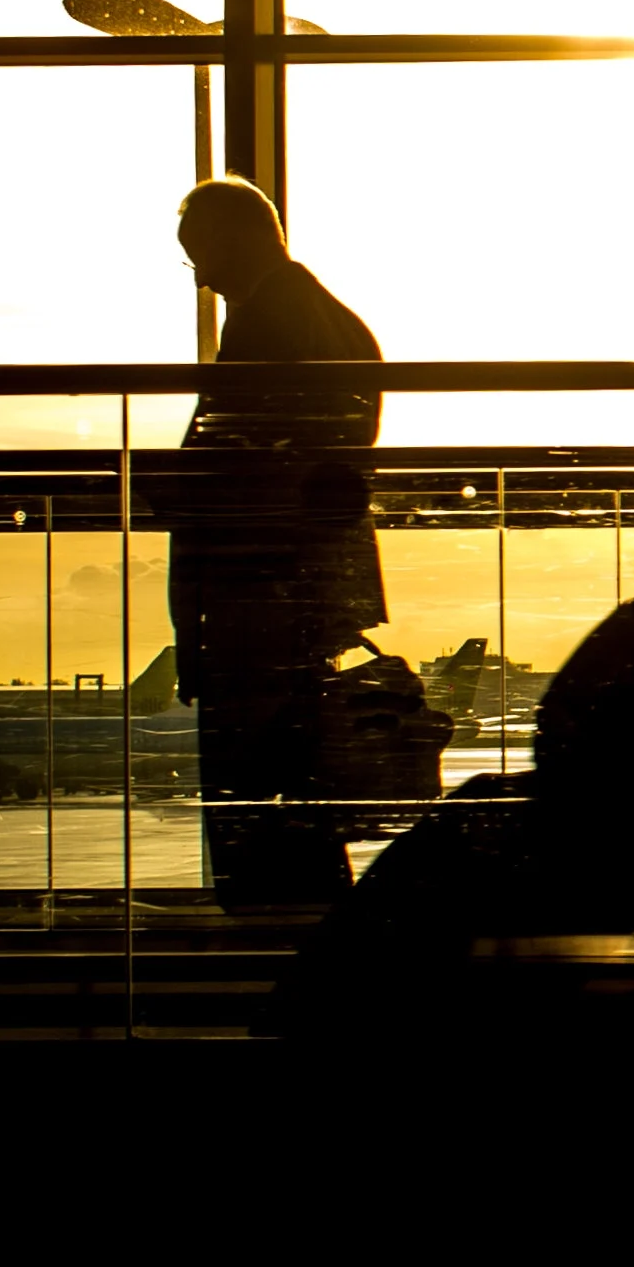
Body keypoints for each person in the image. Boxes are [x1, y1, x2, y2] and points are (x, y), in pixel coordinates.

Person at [164, 176, 386, 910]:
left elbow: (237, 471)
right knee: (302, 802)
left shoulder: (268, 322)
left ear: (242, 237)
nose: (201, 275)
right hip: (304, 589)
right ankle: (316, 952)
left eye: (202, 254)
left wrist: (169, 492)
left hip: (253, 593)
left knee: (253, 803)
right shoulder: (340, 322)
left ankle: (274, 950)